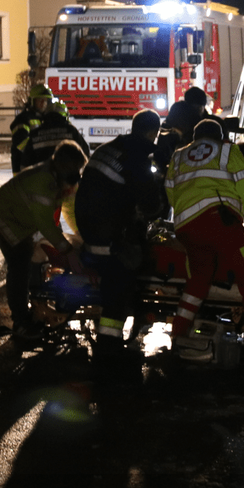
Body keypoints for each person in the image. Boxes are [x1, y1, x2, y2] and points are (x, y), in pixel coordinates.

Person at [166, 120, 244, 361]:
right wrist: (239, 214)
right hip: (220, 221)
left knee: (197, 282)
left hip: (185, 226)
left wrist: (188, 213)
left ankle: (178, 336)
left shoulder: (178, 156)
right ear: (220, 136)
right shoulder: (229, 151)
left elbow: (171, 193)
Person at [74, 109, 162, 371]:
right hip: (109, 235)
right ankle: (109, 348)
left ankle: (110, 342)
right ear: (152, 133)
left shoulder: (111, 147)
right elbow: (150, 206)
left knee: (118, 275)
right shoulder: (139, 156)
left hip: (88, 225)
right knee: (121, 283)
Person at [0, 140, 88, 344]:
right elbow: (45, 224)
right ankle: (21, 321)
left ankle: (28, 305)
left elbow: (66, 209)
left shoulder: (56, 175)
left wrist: (80, 234)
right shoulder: (43, 181)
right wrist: (67, 250)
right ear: (64, 168)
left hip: (20, 217)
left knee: (28, 254)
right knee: (19, 261)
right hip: (4, 216)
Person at [17, 98, 90, 169]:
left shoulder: (35, 134)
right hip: (66, 178)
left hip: (41, 178)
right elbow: (85, 155)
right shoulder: (72, 131)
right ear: (65, 115)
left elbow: (25, 164)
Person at [10, 84, 53, 173]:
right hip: (23, 170)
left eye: (45, 101)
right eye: (40, 100)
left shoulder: (45, 119)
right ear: (32, 101)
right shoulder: (23, 119)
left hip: (39, 168)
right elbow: (21, 143)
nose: (43, 104)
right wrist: (39, 153)